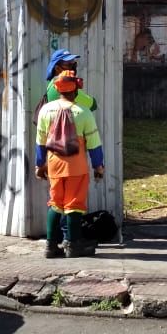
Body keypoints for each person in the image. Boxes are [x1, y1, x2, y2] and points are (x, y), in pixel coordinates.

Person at [35, 70, 105, 258]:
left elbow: (40, 141)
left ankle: (50, 246)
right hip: (76, 168)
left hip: (54, 166)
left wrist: (39, 165)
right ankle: (74, 245)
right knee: (74, 205)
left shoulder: (45, 110)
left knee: (55, 203)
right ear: (75, 89)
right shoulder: (83, 113)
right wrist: (98, 166)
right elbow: (94, 144)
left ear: (58, 89)